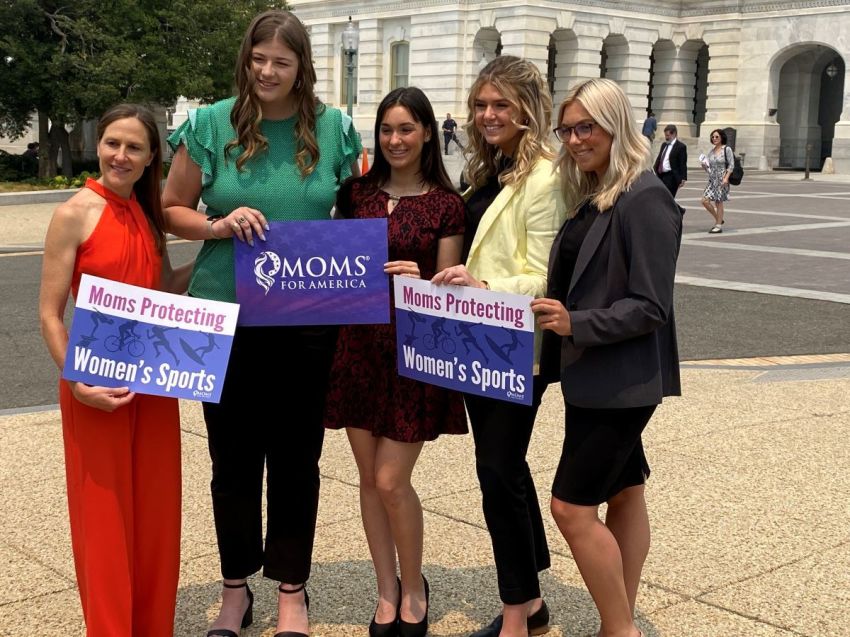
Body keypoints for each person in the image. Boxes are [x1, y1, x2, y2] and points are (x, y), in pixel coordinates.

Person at [161, 10, 361, 637]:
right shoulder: (209, 124)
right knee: (233, 458)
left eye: (281, 61)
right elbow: (171, 209)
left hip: (308, 321)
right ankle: (234, 587)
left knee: (299, 458)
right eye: (258, 59)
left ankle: (293, 590)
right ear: (245, 61)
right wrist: (218, 225)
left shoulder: (335, 129)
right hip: (225, 315)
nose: (268, 71)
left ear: (302, 66)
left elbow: (355, 218)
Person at [532, 77, 681, 637]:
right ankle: (618, 617)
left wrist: (578, 324)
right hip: (594, 374)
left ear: (615, 124)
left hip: (620, 380)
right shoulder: (595, 192)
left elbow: (650, 306)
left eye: (585, 127)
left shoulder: (645, 197)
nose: (573, 139)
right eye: (566, 129)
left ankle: (621, 629)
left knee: (570, 509)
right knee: (625, 490)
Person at [39, 103, 192, 635]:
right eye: (112, 143)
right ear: (98, 145)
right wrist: (75, 381)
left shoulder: (150, 217)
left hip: (152, 380)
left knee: (154, 513)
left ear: (153, 158)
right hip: (93, 380)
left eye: (133, 147)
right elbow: (50, 314)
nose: (120, 155)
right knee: (103, 519)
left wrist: (224, 254)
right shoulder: (73, 213)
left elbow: (165, 289)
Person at [432, 55, 567, 637]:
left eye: (501, 105)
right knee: (504, 468)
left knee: (497, 470)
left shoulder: (545, 176)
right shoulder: (491, 168)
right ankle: (532, 596)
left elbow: (546, 275)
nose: (488, 114)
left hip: (517, 343)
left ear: (527, 109)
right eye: (482, 104)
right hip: (480, 338)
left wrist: (484, 286)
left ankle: (517, 612)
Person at [325, 86, 467, 637]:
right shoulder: (354, 193)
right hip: (357, 350)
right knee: (366, 479)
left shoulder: (445, 204)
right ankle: (386, 591)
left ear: (428, 132)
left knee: (391, 480)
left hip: (413, 354)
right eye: (386, 130)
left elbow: (451, 290)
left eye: (406, 129)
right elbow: (329, 266)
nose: (395, 139)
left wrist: (422, 279)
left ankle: (415, 586)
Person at [700, 128, 733, 233]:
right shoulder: (712, 151)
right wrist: (704, 166)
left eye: (716, 137)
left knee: (719, 202)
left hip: (722, 178)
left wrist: (726, 178)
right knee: (704, 200)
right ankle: (719, 218)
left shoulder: (726, 149)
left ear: (722, 137)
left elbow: (731, 165)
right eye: (713, 137)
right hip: (712, 179)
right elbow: (709, 167)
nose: (714, 138)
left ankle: (718, 225)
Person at [653, 124, 687, 197]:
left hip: (671, 176)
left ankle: (679, 209)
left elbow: (682, 163)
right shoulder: (664, 145)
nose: (666, 138)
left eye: (668, 135)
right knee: (659, 196)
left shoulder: (680, 147)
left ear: (674, 134)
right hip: (661, 175)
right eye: (665, 135)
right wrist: (654, 169)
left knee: (668, 198)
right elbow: (660, 158)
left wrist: (683, 178)